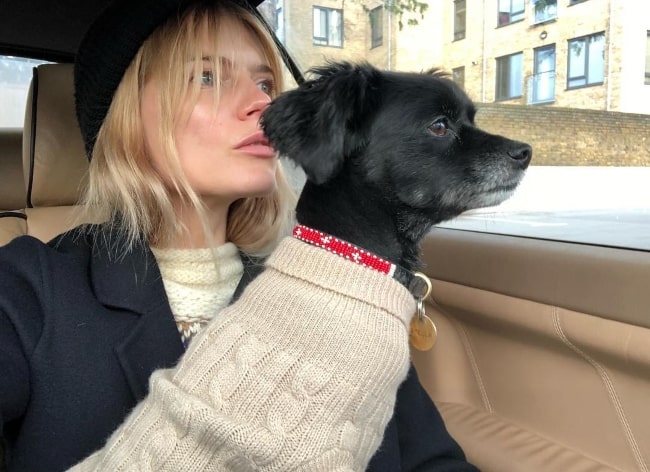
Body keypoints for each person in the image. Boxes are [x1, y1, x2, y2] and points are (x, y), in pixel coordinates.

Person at [0, 0, 480, 470]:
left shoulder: (331, 287)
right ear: (125, 117)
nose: (263, 104)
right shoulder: (30, 286)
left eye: (266, 81)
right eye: (207, 77)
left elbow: (431, 459)